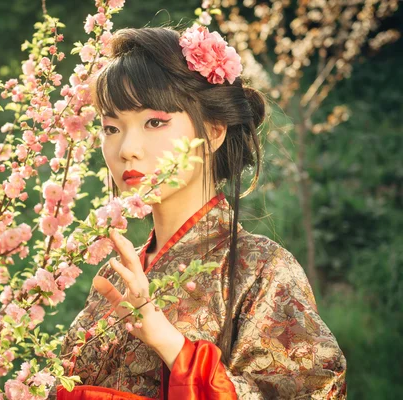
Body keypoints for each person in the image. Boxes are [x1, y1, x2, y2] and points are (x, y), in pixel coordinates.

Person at [50, 26, 347, 399]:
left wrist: (172, 346)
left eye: (154, 122)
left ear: (213, 131)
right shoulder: (117, 275)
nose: (127, 148)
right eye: (111, 127)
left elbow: (314, 391)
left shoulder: (261, 269)